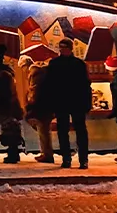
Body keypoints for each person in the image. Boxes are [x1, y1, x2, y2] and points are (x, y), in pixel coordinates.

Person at [44, 38, 92, 169]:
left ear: (70, 48)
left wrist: (87, 103)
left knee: (75, 130)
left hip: (70, 101)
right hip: (68, 102)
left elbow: (86, 85)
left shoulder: (56, 64)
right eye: (61, 47)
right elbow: (50, 86)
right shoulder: (77, 64)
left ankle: (81, 159)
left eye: (64, 47)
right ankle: (69, 158)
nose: (62, 50)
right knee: (68, 130)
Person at [0, 44, 24, 163]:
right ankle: (13, 153)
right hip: (8, 107)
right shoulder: (4, 74)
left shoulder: (2, 75)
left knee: (9, 131)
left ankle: (13, 155)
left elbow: (4, 94)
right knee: (10, 130)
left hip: (7, 108)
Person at [20, 56, 55, 164]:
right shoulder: (41, 72)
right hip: (47, 103)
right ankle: (46, 152)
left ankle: (47, 154)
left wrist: (30, 103)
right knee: (43, 129)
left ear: (25, 65)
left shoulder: (35, 73)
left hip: (41, 104)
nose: (23, 71)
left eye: (22, 68)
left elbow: (34, 90)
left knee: (42, 129)